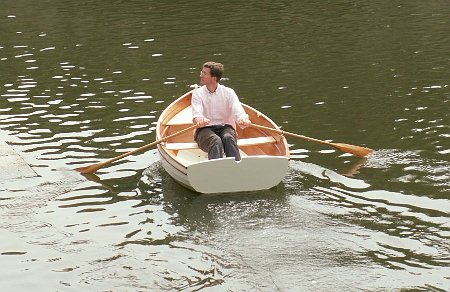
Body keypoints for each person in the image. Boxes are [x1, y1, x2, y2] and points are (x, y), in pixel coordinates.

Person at [191, 61, 251, 161]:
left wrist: (243, 119)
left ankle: (237, 166)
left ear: (214, 78)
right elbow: (197, 114)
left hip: (225, 127)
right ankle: (215, 170)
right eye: (201, 72)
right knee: (215, 140)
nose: (201, 75)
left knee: (228, 138)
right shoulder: (197, 94)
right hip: (205, 129)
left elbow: (237, 109)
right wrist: (199, 120)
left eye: (204, 73)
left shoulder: (228, 92)